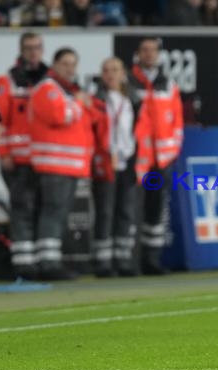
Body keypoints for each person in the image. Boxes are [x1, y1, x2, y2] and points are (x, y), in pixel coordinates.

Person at [29, 47, 94, 280]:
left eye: (73, 64)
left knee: (59, 213)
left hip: (69, 165)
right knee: (52, 212)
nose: (70, 68)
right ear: (54, 65)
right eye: (65, 63)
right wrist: (78, 104)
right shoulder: (48, 88)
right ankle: (47, 263)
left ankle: (53, 259)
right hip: (54, 163)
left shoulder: (67, 91)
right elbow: (58, 116)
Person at [0, 32, 49, 280]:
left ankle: (39, 260)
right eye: (28, 48)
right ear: (21, 50)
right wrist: (3, 151)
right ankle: (22, 262)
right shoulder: (7, 81)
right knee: (21, 209)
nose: (33, 52)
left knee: (41, 209)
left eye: (37, 47)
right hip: (17, 160)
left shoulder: (48, 79)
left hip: (43, 159)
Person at [128, 37, 184, 275]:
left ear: (159, 54)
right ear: (138, 53)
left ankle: (151, 260)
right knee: (131, 209)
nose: (149, 54)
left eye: (153, 50)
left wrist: (170, 153)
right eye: (145, 50)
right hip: (135, 157)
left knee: (156, 210)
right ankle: (130, 261)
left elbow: (177, 122)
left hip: (162, 159)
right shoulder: (128, 81)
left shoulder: (168, 84)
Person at [91, 57, 142, 277]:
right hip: (105, 162)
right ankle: (103, 262)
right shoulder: (96, 100)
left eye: (115, 70)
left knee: (125, 211)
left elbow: (139, 131)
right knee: (104, 211)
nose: (110, 74)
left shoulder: (133, 100)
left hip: (128, 161)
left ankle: (123, 259)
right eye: (106, 70)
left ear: (123, 74)